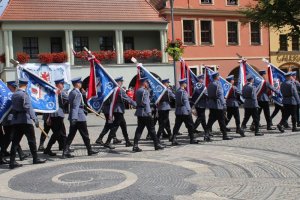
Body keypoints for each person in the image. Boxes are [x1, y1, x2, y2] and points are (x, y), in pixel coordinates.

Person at [9, 78, 46, 169]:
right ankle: (35, 158)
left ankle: (12, 161)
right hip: (25, 121)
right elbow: (28, 108)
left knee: (15, 142)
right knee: (31, 140)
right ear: (26, 85)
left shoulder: (14, 95)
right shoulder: (24, 95)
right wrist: (35, 119)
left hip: (17, 121)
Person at [62, 77, 98, 158]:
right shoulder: (77, 93)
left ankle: (65, 151)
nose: (81, 84)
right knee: (85, 135)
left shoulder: (72, 92)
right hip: (79, 117)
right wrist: (74, 118)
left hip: (75, 116)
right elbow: (75, 106)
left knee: (71, 135)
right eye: (80, 83)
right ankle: (89, 150)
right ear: (77, 84)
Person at [103, 76, 137, 149]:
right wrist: (136, 104)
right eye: (121, 81)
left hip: (116, 109)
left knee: (123, 126)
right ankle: (107, 142)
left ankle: (127, 141)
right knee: (115, 127)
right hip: (118, 110)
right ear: (118, 82)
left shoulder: (113, 89)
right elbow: (127, 98)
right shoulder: (119, 90)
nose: (122, 83)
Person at [132, 77, 164, 152]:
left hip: (140, 112)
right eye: (147, 82)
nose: (147, 84)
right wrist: (149, 113)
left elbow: (142, 101)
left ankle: (135, 145)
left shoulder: (137, 91)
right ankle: (156, 145)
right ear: (144, 83)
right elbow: (146, 103)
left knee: (139, 129)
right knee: (152, 129)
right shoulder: (145, 91)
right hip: (146, 113)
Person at [1, 81, 28, 161]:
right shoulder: (6, 96)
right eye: (13, 87)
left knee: (14, 138)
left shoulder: (12, 95)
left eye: (15, 87)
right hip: (7, 121)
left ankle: (21, 154)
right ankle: (1, 155)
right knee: (8, 139)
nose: (15, 88)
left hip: (12, 121)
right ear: (8, 86)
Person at [43, 78, 68, 157]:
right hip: (58, 115)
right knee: (61, 133)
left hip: (54, 115)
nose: (63, 86)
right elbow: (69, 99)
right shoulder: (60, 92)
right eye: (62, 84)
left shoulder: (51, 92)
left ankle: (49, 149)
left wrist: (49, 117)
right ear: (58, 85)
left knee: (58, 133)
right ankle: (64, 151)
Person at [171, 78, 200, 145]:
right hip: (185, 112)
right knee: (190, 125)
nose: (186, 84)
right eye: (186, 83)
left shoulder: (177, 91)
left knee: (177, 126)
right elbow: (186, 102)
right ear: (183, 84)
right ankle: (192, 139)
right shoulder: (183, 92)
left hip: (178, 111)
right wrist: (191, 111)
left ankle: (173, 139)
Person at [205, 72, 232, 141]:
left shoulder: (210, 84)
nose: (219, 77)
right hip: (218, 105)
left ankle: (206, 135)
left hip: (212, 105)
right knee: (222, 121)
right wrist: (224, 105)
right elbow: (220, 95)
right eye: (218, 76)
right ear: (216, 77)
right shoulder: (218, 84)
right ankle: (224, 136)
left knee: (210, 121)